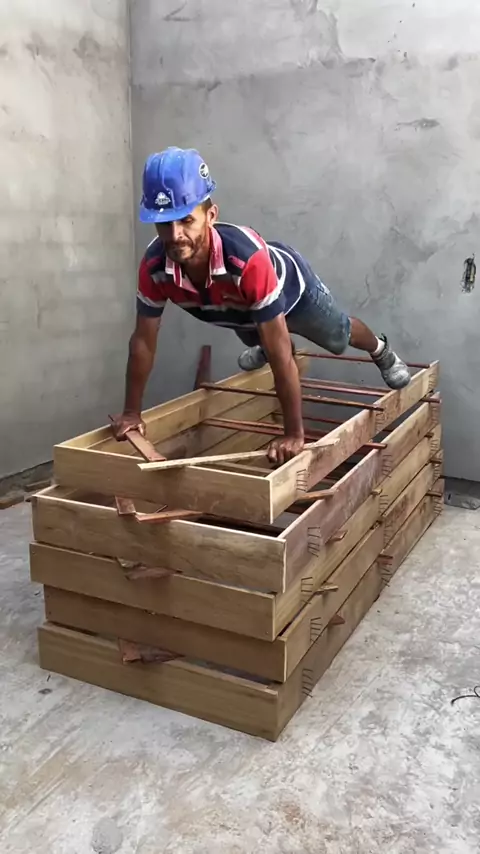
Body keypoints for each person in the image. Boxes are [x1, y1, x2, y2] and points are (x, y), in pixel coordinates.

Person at [111, 147, 411, 465]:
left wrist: (293, 433)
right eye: (164, 223)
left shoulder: (246, 260)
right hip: (237, 307)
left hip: (291, 291)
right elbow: (143, 342)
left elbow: (281, 351)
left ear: (211, 216)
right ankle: (261, 342)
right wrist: (131, 413)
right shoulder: (154, 265)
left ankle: (381, 350)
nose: (175, 236)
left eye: (186, 220)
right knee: (261, 336)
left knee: (337, 336)